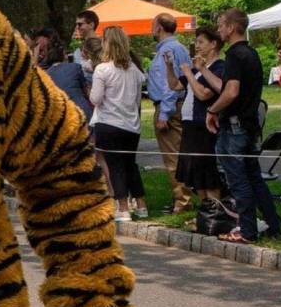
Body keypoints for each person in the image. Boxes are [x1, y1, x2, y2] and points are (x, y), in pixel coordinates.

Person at [207, 8, 281, 243]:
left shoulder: (235, 55)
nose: (219, 29)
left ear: (231, 27)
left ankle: (247, 229)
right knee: (253, 176)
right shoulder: (251, 53)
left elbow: (231, 91)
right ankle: (273, 223)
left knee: (237, 178)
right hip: (250, 124)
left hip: (235, 125)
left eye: (221, 24)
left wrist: (212, 110)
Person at [90, 26, 147, 222]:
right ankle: (141, 204)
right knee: (130, 164)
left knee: (115, 167)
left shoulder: (102, 69)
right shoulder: (135, 70)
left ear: (107, 43)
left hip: (109, 122)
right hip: (131, 125)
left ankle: (123, 208)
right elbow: (138, 100)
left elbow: (95, 98)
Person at [172, 26, 225, 204]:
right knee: (194, 172)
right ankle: (205, 210)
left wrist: (190, 72)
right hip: (189, 124)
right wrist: (169, 67)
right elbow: (175, 85)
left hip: (203, 124)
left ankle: (216, 210)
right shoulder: (197, 68)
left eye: (201, 42)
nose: (198, 45)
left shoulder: (218, 67)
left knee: (206, 171)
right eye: (197, 41)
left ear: (213, 44)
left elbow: (203, 93)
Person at [148, 13, 193, 214]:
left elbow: (168, 84)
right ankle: (185, 196)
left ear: (159, 27)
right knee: (182, 153)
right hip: (182, 104)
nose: (151, 28)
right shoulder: (181, 48)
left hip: (169, 105)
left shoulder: (166, 51)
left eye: (153, 24)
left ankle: (181, 201)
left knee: (172, 156)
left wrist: (164, 114)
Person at [32, 28, 91, 119]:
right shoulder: (74, 67)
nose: (40, 54)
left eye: (42, 49)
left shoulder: (44, 75)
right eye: (38, 49)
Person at [70, 9, 99, 80]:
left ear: (91, 25)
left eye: (80, 24)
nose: (77, 27)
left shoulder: (103, 45)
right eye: (76, 24)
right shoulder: (79, 48)